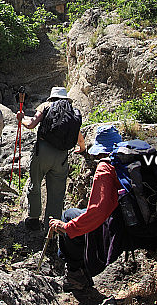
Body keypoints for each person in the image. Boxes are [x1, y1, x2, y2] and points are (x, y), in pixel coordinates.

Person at [48, 124, 124, 292]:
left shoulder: (105, 167)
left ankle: (76, 274)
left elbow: (97, 211)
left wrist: (68, 228)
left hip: (113, 221)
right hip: (126, 214)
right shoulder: (129, 157)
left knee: (68, 218)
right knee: (70, 213)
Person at [16, 87, 87, 232]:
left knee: (35, 184)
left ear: (52, 97)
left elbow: (31, 125)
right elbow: (78, 135)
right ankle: (52, 228)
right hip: (62, 156)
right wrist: (82, 148)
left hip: (43, 151)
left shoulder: (46, 106)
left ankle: (34, 219)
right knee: (57, 193)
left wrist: (21, 119)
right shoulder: (72, 111)